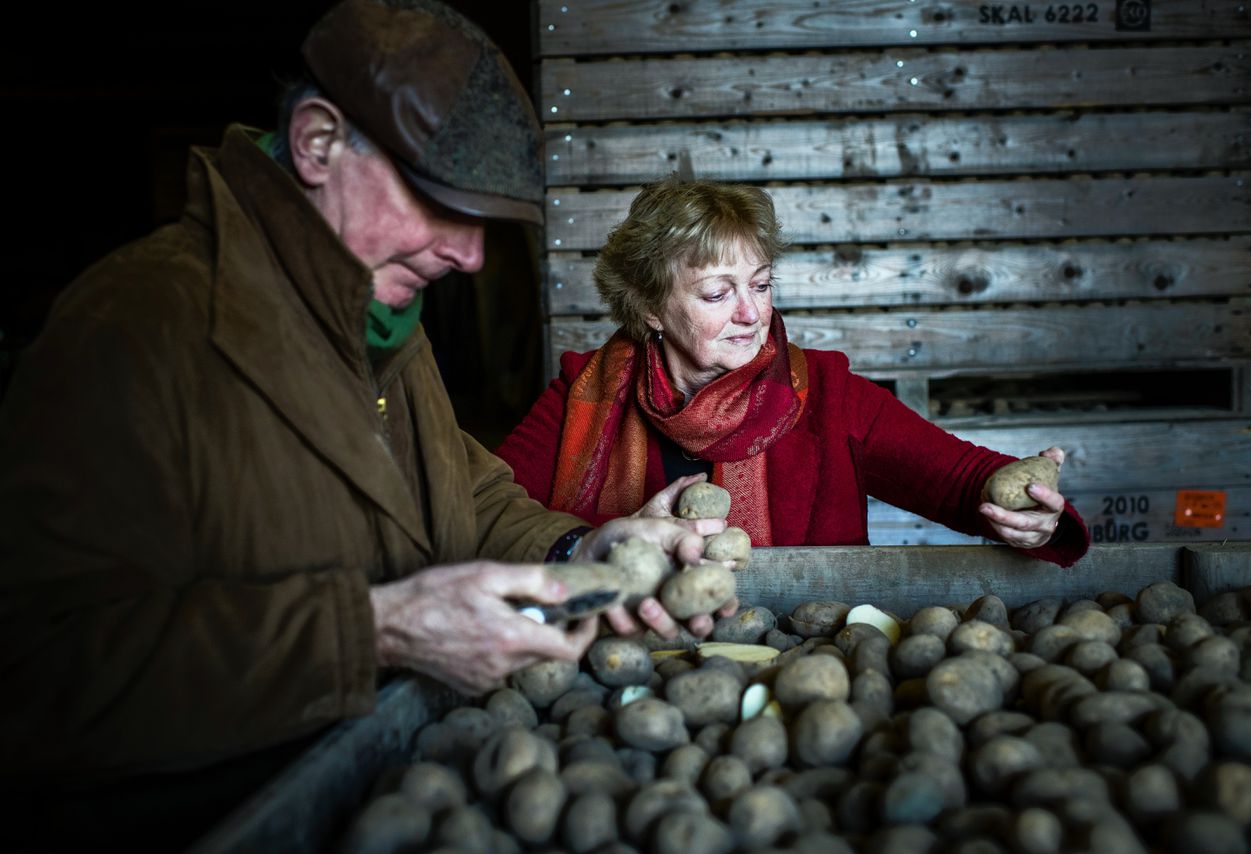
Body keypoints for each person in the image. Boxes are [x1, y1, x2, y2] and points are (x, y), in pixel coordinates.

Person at [0, 1, 720, 845]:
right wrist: (375, 631)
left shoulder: (385, 329)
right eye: (438, 204)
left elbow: (466, 499)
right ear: (316, 143)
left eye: (483, 222)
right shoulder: (133, 328)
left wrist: (577, 554)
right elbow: (35, 673)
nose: (470, 256)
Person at [497, 176, 1090, 564]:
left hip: (803, 657)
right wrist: (614, 535)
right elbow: (489, 521)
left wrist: (1031, 509)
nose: (751, 314)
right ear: (650, 307)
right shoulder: (583, 393)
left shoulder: (828, 394)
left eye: (760, 285)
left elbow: (958, 477)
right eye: (716, 294)